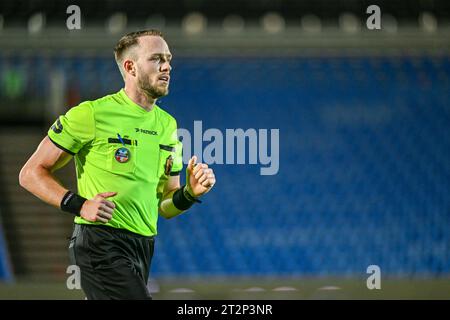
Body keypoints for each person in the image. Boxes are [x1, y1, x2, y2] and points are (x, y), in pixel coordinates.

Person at [18, 30, 216, 300]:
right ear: (130, 67)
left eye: (168, 59)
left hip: (142, 246)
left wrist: (190, 193)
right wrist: (81, 205)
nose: (167, 66)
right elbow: (30, 173)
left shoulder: (168, 125)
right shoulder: (91, 114)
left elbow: (166, 207)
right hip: (100, 242)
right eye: (157, 59)